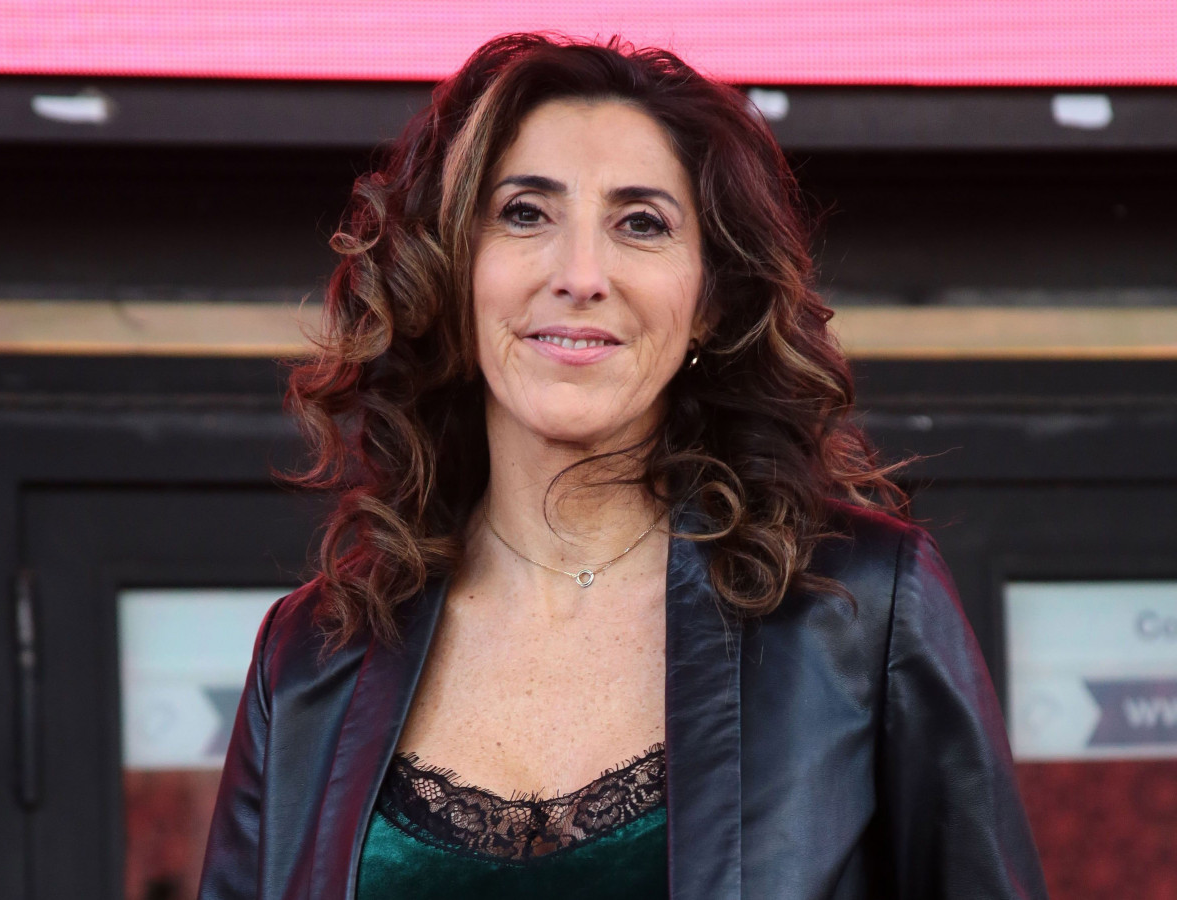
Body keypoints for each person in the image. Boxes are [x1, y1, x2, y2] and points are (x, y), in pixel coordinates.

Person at [198, 33, 1048, 900]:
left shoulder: (861, 609)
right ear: (451, 271)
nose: (581, 275)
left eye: (642, 224)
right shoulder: (311, 657)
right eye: (525, 213)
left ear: (710, 299)